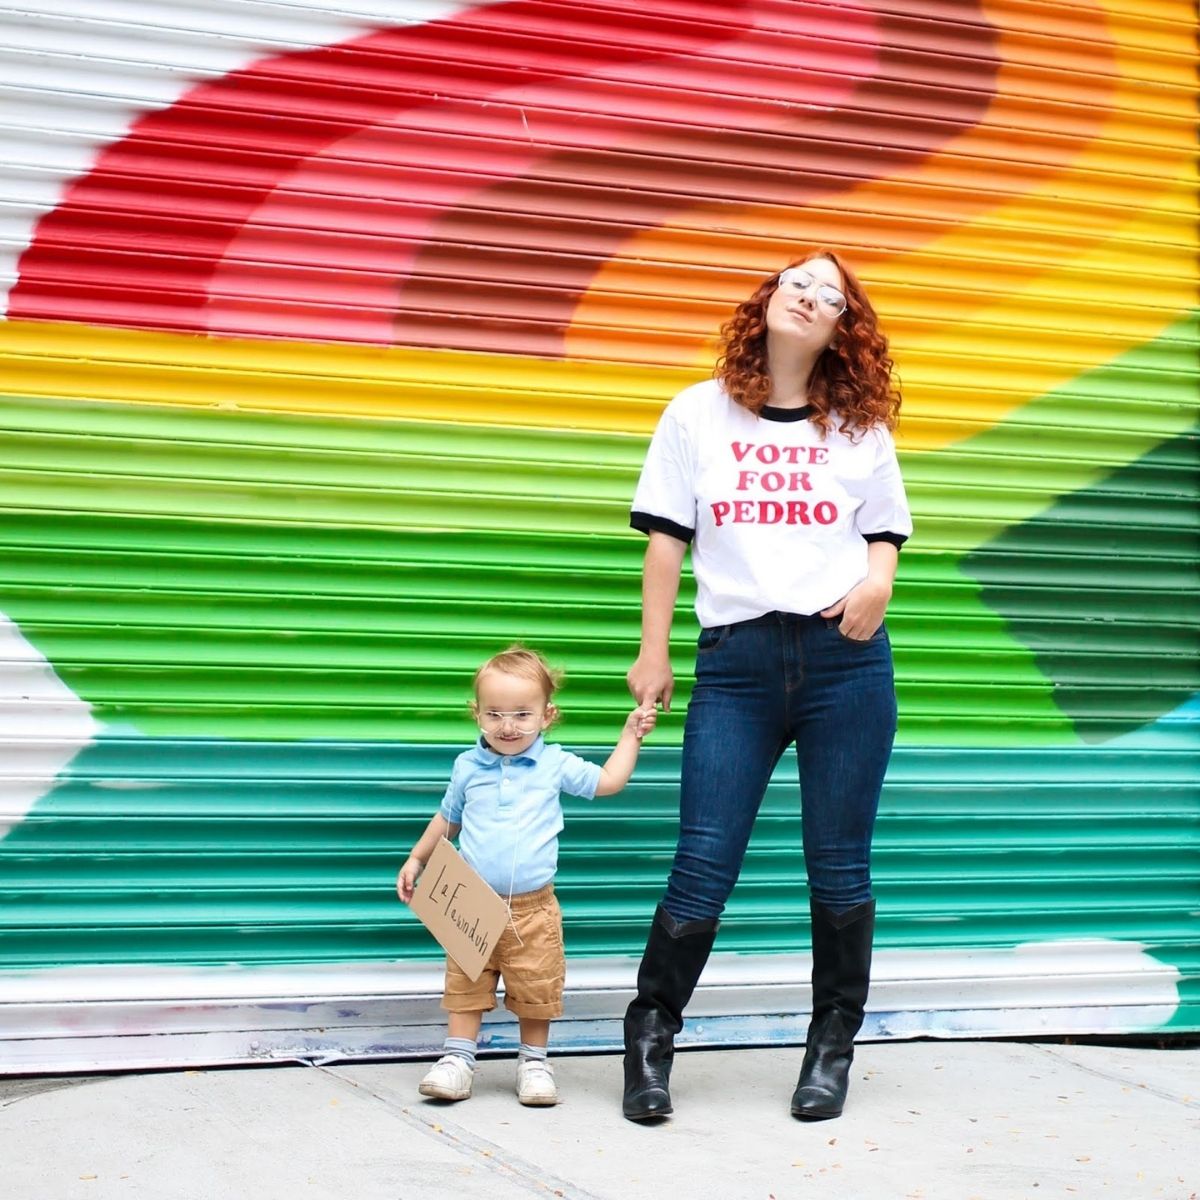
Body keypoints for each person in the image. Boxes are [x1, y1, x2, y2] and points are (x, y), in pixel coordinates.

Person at [621, 250, 912, 1123]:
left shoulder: (858, 427)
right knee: (703, 863)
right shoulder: (697, 414)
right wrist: (653, 653)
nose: (811, 297)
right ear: (770, 301)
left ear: (841, 328)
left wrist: (878, 582)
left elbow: (885, 534)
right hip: (737, 664)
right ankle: (649, 1039)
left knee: (838, 867)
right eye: (799, 283)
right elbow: (666, 543)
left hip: (845, 665)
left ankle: (830, 1049)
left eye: (831, 295)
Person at [398, 645, 655, 1107]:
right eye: (494, 714)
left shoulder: (555, 764)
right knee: (465, 984)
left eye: (522, 713)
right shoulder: (467, 766)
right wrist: (417, 859)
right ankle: (458, 1060)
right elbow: (448, 819)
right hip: (469, 900)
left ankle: (534, 1062)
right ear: (477, 714)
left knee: (536, 985)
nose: (508, 725)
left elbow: (608, 782)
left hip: (533, 909)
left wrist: (631, 735)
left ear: (547, 714)